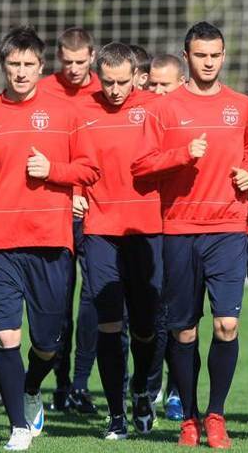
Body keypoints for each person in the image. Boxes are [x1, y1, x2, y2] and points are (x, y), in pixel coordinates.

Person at [0, 25, 99, 451]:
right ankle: (17, 426)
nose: (20, 72)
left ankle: (33, 386)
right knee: (5, 336)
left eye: (28, 65)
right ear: (3, 66)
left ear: (40, 66)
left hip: (51, 243)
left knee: (47, 343)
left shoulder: (66, 115)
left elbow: (90, 169)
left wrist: (53, 170)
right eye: (13, 64)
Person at [131, 21, 248, 448]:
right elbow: (140, 166)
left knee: (227, 325)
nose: (209, 62)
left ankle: (216, 415)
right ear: (186, 56)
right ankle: (188, 417)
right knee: (184, 331)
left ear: (224, 56)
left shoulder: (243, 107)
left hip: (228, 229)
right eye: (201, 55)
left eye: (216, 55)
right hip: (180, 231)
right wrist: (181, 155)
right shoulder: (163, 109)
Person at [76, 41, 161, 439]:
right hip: (99, 231)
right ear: (98, 74)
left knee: (146, 327)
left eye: (122, 82)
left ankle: (141, 387)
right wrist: (74, 191)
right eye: (107, 82)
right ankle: (115, 415)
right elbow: (69, 160)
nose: (114, 90)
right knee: (108, 324)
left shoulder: (156, 108)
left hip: (146, 230)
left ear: (135, 76)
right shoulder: (82, 111)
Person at [39, 26, 101, 414]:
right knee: (57, 302)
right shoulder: (43, 91)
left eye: (81, 62)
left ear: (92, 57)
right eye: (67, 62)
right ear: (57, 60)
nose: (74, 69)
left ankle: (80, 384)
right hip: (55, 211)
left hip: (97, 210)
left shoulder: (105, 90)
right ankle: (60, 385)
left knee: (93, 299)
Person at [144, 52, 187, 422]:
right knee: (147, 314)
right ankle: (148, 383)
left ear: (181, 83)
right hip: (141, 226)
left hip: (180, 228)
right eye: (152, 83)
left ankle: (175, 389)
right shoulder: (140, 119)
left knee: (178, 314)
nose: (157, 91)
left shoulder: (187, 120)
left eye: (165, 84)